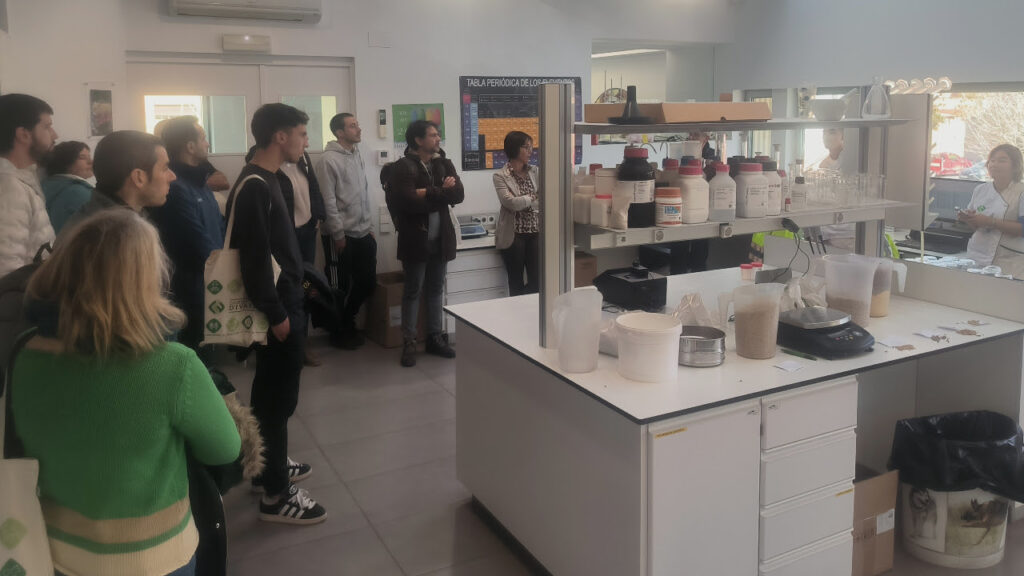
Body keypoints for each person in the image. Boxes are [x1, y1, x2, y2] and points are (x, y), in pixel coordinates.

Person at [10, 209, 241, 576]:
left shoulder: (24, 352)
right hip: (155, 557)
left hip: (58, 551)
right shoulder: (173, 365)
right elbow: (225, 448)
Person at [226, 103, 326, 524]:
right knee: (277, 398)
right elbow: (253, 260)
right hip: (278, 311)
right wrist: (277, 312)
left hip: (285, 303)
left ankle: (268, 465)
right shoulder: (255, 185)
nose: (306, 142)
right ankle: (275, 495)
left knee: (273, 396)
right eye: (301, 134)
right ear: (280, 136)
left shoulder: (269, 179)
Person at [387, 119, 464, 367]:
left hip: (441, 240)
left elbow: (458, 194)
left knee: (435, 290)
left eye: (438, 134)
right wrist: (440, 191)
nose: (438, 138)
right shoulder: (403, 167)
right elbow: (408, 202)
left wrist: (427, 192)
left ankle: (434, 338)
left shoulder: (443, 163)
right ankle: (409, 342)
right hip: (415, 240)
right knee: (412, 291)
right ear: (418, 140)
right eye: (432, 135)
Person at [150, 116, 224, 353]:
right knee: (195, 345)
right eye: (203, 138)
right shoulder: (176, 188)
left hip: (210, 277)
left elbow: (218, 225)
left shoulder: (199, 182)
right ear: (190, 146)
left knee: (208, 342)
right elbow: (195, 240)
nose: (207, 144)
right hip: (190, 285)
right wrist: (221, 267)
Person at [316, 112, 376, 348]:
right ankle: (337, 331)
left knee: (367, 282)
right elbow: (328, 200)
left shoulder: (356, 154)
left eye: (357, 124)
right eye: (352, 126)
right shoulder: (327, 160)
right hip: (339, 235)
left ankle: (347, 320)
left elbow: (363, 193)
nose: (358, 129)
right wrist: (338, 234)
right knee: (338, 286)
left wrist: (369, 226)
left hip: (363, 232)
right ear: (339, 132)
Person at [64, 130, 177, 233]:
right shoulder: (117, 238)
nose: (173, 177)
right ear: (139, 177)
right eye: (165, 168)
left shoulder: (95, 216)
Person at [0, 93, 57, 277]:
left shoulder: (22, 181)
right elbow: (6, 272)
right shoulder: (9, 188)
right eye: (47, 127)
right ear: (24, 134)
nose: (55, 135)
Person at [959, 144, 1024, 276]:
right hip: (977, 257)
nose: (994, 164)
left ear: (1015, 166)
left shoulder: (1021, 192)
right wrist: (969, 219)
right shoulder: (981, 190)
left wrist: (990, 221)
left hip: (1009, 262)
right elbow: (976, 227)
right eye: (992, 160)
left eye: (1002, 160)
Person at [493, 131, 539, 296]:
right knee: (516, 282)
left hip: (536, 232)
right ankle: (518, 310)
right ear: (514, 149)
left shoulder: (535, 171)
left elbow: (545, 199)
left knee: (538, 283)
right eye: (526, 147)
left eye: (531, 147)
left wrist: (523, 201)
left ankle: (532, 311)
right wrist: (532, 197)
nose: (530, 151)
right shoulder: (500, 176)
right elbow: (510, 203)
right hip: (514, 236)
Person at [41, 141, 94, 233]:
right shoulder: (76, 193)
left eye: (89, 157)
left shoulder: (51, 187)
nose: (91, 162)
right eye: (82, 157)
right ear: (66, 162)